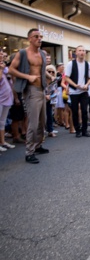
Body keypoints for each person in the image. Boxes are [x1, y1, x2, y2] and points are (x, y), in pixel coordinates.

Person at [9, 28, 52, 163]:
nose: (39, 38)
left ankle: (38, 145)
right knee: (33, 124)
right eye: (35, 36)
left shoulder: (42, 54)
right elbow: (11, 70)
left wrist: (48, 75)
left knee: (42, 121)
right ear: (29, 38)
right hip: (31, 90)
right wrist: (28, 77)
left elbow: (41, 69)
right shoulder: (23, 53)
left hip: (41, 89)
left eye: (40, 36)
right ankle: (29, 152)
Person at [65, 45, 90, 138]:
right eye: (80, 50)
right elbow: (66, 78)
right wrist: (75, 85)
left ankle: (84, 130)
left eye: (83, 51)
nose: (82, 52)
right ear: (76, 52)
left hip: (84, 91)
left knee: (84, 111)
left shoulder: (88, 64)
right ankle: (77, 130)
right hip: (74, 91)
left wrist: (86, 85)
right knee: (75, 111)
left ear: (85, 53)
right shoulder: (70, 64)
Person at [0, 50, 15, 152]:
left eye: (2, 54)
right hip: (0, 99)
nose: (2, 56)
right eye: (0, 54)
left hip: (7, 98)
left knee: (2, 122)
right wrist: (1, 69)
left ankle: (3, 142)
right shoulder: (2, 68)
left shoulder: (5, 67)